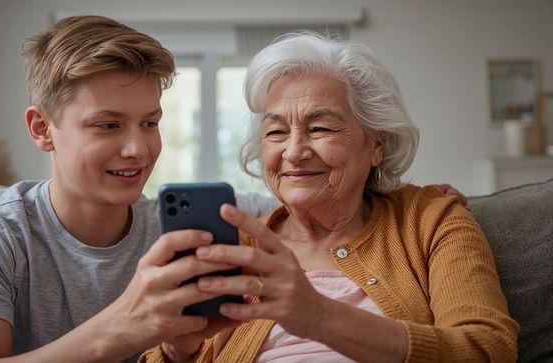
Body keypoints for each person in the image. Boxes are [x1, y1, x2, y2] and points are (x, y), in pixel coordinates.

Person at [141, 33, 519, 362]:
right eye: (275, 132)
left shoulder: (429, 220)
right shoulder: (236, 247)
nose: (293, 151)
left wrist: (320, 316)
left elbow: (487, 348)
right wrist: (178, 352)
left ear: (377, 145)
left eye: (319, 127)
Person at [0, 15, 278, 362]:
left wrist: (176, 351)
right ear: (42, 129)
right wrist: (124, 327)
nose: (138, 149)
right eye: (108, 125)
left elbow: (302, 212)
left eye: (149, 123)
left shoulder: (184, 227)